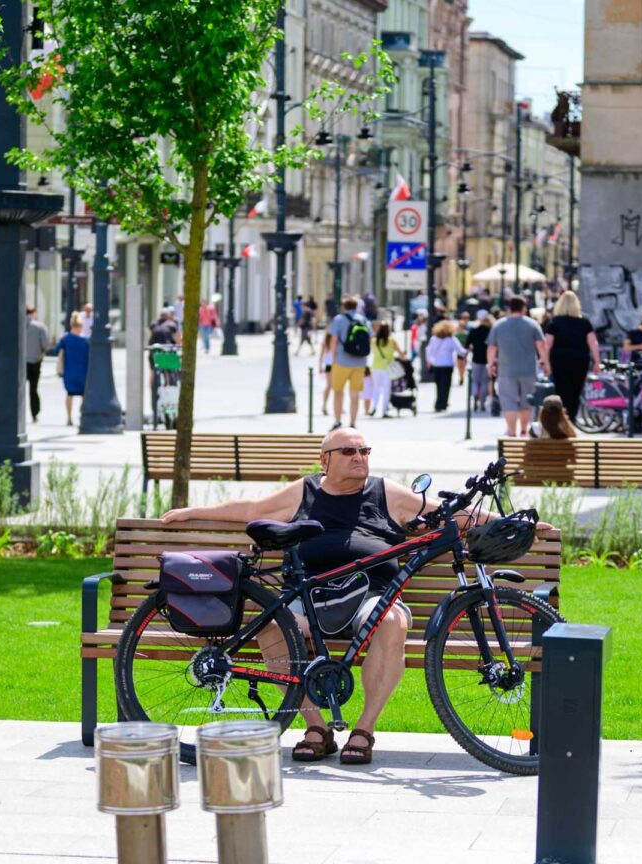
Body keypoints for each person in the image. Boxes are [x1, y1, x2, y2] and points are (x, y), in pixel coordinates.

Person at [160, 428, 548, 765]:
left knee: (393, 621)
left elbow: (447, 516)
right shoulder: (304, 491)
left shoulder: (385, 492)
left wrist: (508, 524)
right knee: (273, 630)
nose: (359, 458)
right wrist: (195, 511)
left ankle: (363, 731)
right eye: (349, 451)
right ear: (325, 459)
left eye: (365, 451)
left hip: (371, 599)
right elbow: (252, 509)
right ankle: (316, 729)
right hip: (311, 597)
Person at [485, 296, 547, 438]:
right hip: (529, 369)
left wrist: (490, 365)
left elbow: (491, 348)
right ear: (524, 308)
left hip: (506, 370)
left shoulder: (499, 325)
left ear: (509, 308)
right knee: (527, 400)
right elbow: (541, 347)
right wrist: (545, 363)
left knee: (508, 401)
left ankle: (512, 432)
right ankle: (524, 431)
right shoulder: (532, 324)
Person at [544, 291, 599, 420]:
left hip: (559, 360)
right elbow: (593, 342)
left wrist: (546, 363)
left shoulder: (554, 322)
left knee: (561, 390)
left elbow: (547, 345)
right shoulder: (584, 322)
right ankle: (572, 418)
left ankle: (562, 419)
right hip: (580, 359)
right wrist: (597, 361)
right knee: (576, 390)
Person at [323, 296, 370, 431]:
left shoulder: (339, 319)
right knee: (354, 394)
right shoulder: (363, 319)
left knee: (338, 392)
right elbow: (369, 338)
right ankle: (352, 423)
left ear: (344, 307)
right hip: (360, 362)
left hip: (341, 361)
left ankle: (338, 421)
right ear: (356, 306)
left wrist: (332, 357)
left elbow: (333, 339)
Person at [52, 312, 90, 426]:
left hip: (70, 371)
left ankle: (69, 417)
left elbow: (56, 350)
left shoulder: (66, 339)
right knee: (83, 395)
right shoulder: (86, 340)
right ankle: (82, 416)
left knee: (70, 394)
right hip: (83, 371)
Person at [424, 319, 468, 413]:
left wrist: (430, 361)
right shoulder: (451, 339)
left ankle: (438, 403)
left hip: (437, 364)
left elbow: (428, 350)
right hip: (447, 364)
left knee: (438, 385)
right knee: (446, 385)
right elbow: (460, 351)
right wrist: (468, 350)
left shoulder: (434, 339)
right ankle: (443, 403)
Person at [364, 322, 397, 418]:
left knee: (376, 389)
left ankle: (373, 407)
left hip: (376, 367)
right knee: (386, 390)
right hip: (387, 368)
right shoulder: (391, 341)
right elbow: (400, 353)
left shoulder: (374, 341)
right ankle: (384, 410)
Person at [466, 310, 493, 412]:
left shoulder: (474, 330)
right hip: (487, 360)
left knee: (475, 381)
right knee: (485, 382)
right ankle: (482, 401)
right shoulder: (490, 330)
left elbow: (467, 344)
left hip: (476, 358)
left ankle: (475, 397)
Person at [25, 305, 49, 422]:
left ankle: (18, 412)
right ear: (33, 313)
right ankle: (34, 412)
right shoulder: (40, 326)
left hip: (22, 362)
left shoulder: (17, 325)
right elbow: (45, 344)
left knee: (18, 389)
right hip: (35, 361)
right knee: (33, 389)